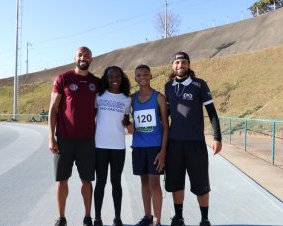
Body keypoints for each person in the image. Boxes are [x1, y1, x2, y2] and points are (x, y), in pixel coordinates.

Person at [164, 52, 222, 226]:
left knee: (201, 183)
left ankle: (204, 219)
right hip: (174, 144)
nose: (180, 65)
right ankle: (178, 216)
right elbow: (165, 115)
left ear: (188, 65)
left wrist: (217, 137)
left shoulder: (199, 84)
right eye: (176, 62)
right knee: (176, 182)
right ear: (173, 66)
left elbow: (212, 113)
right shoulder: (168, 87)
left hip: (196, 144)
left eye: (183, 62)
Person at [48, 46, 100, 226]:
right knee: (62, 180)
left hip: (87, 140)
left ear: (91, 59)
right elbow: (53, 110)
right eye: (80, 55)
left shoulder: (96, 82)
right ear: (75, 57)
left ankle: (87, 217)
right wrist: (51, 138)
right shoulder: (63, 79)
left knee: (87, 180)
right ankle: (61, 218)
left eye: (86, 55)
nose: (83, 57)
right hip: (64, 139)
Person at [127, 64, 169, 226]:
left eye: (146, 74)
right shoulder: (131, 99)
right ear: (135, 78)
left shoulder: (159, 97)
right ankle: (147, 217)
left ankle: (157, 220)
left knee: (154, 183)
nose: (143, 77)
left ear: (151, 76)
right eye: (139, 75)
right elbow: (129, 125)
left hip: (155, 147)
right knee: (144, 182)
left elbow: (165, 125)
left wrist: (163, 151)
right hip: (138, 147)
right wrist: (128, 125)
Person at [93, 66, 131, 226]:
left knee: (116, 182)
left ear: (122, 78)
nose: (114, 79)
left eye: (118, 76)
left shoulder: (126, 99)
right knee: (100, 182)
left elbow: (126, 121)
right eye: (110, 76)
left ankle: (117, 218)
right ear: (105, 79)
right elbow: (91, 117)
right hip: (100, 145)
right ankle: (97, 218)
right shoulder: (98, 97)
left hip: (118, 146)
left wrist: (127, 123)